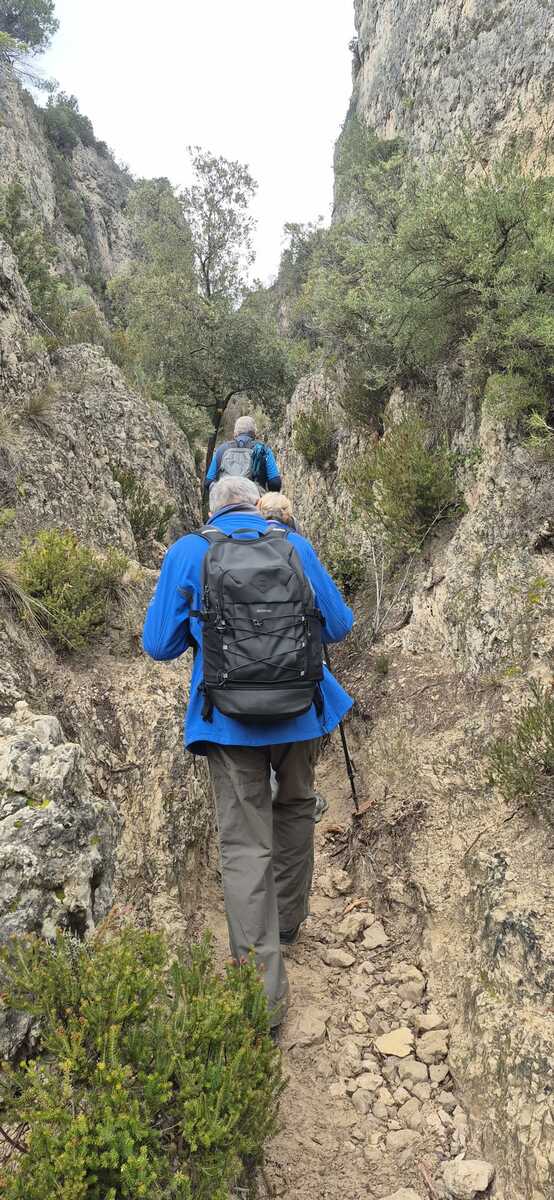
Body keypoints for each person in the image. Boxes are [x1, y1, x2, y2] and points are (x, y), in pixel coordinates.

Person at [142, 475, 354, 1033]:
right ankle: (288, 921)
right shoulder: (294, 544)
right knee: (297, 806)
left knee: (243, 845)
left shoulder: (189, 552)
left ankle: (263, 999)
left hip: (228, 720)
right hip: (300, 712)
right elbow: (339, 625)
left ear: (212, 509)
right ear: (256, 506)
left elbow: (158, 644)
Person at [257, 491, 329, 822]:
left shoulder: (223, 549)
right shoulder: (297, 546)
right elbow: (338, 623)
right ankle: (296, 801)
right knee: (296, 796)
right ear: (289, 517)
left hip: (236, 680)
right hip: (294, 679)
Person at [204, 414, 282, 493]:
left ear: (235, 433)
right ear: (254, 432)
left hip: (226, 498)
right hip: (254, 498)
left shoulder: (221, 450)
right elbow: (275, 483)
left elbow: (208, 482)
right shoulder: (263, 449)